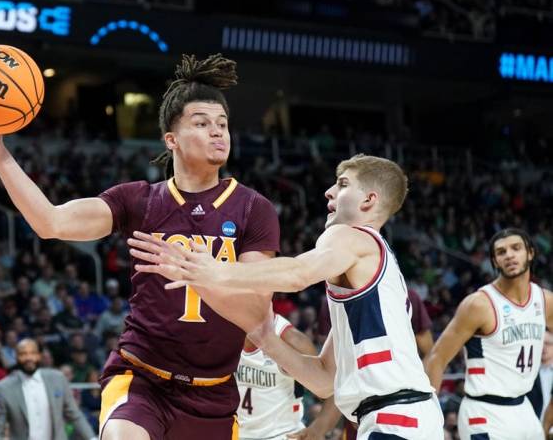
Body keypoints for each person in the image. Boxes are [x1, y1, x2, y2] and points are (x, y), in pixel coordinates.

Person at [0, 53, 280, 440]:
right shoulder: (139, 201)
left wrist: (199, 274)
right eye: (202, 123)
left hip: (215, 393)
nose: (218, 132)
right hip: (141, 377)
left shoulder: (253, 209)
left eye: (223, 124)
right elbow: (50, 223)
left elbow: (257, 317)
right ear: (170, 139)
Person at [128, 154, 444, 439]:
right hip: (403, 416)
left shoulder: (352, 235)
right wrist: (266, 337)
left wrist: (215, 271)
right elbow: (323, 381)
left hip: (395, 417)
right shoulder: (369, 278)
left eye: (343, 184)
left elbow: (297, 274)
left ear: (369, 200)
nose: (329, 192)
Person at [425, 228, 552, 440]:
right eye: (501, 252)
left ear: (530, 253)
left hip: (524, 408)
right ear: (494, 261)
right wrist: (428, 416)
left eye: (516, 248)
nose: (509, 255)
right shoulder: (479, 304)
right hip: (484, 412)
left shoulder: (545, 300)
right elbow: (438, 357)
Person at [298, 287, 434, 439]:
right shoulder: (333, 297)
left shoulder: (405, 294)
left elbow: (430, 352)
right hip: (366, 409)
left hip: (400, 406)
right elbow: (336, 371)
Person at [0, 338, 95, 440]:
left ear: (39, 356)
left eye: (32, 353)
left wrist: (92, 438)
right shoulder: (4, 387)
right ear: (16, 357)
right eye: (23, 354)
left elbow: (75, 415)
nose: (29, 358)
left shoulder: (57, 379)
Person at [236, 313, 316, 440]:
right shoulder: (225, 332)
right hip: (233, 434)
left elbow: (332, 390)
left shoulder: (293, 340)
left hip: (281, 434)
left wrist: (318, 428)